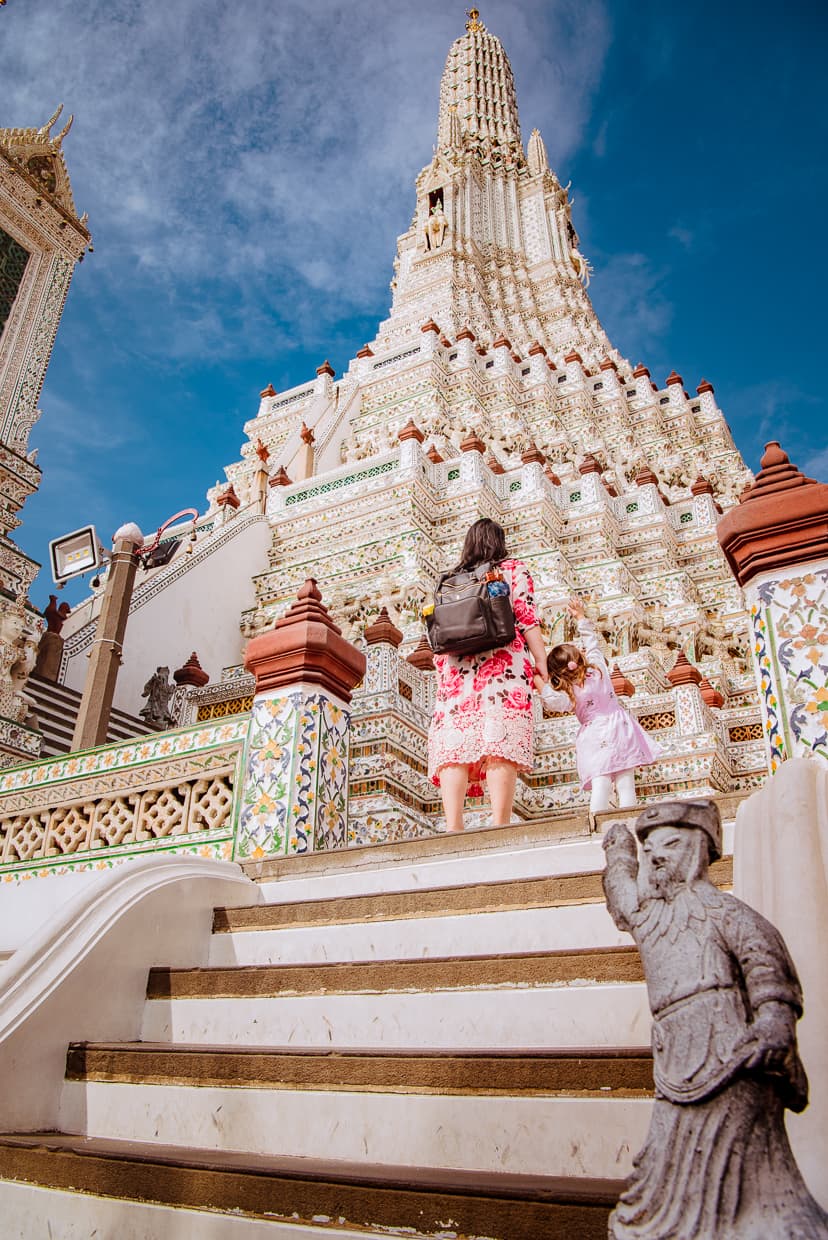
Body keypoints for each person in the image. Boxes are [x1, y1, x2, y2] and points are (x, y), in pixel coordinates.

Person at [602, 800, 828, 1239]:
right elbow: (622, 894)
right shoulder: (650, 916)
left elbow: (764, 962)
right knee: (668, 1164)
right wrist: (619, 852)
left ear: (698, 848)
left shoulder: (722, 912)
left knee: (746, 1164)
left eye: (670, 844)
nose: (656, 856)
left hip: (731, 1053)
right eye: (649, 849)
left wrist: (774, 1017)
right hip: (676, 1056)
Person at [427, 518, 549, 832]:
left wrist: (444, 676)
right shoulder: (512, 569)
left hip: (456, 670)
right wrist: (542, 663)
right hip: (504, 666)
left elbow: (437, 631)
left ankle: (453, 826)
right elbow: (527, 618)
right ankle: (499, 824)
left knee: (456, 745)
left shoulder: (449, 579)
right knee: (499, 740)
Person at [534, 597, 658, 814]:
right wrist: (581, 617)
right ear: (580, 657)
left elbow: (552, 701)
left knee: (601, 782)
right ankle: (629, 820)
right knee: (625, 781)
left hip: (593, 735)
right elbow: (594, 645)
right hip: (620, 726)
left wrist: (536, 679)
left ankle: (597, 824)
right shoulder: (598, 670)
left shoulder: (568, 692)